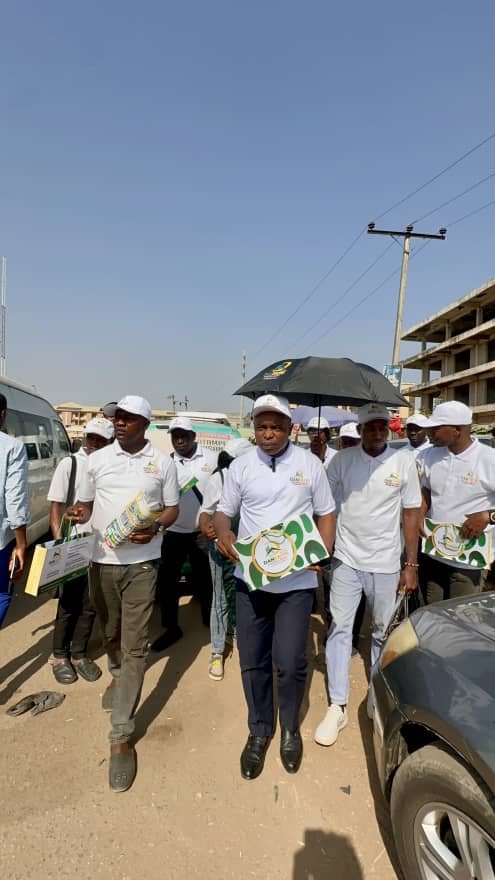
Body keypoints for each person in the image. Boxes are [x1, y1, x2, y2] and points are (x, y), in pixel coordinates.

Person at [214, 394, 335, 780]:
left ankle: (290, 731)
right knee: (253, 661)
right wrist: (223, 534)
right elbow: (223, 511)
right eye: (262, 426)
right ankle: (259, 731)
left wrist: (324, 551)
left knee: (290, 662)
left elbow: (326, 513)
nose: (269, 434)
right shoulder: (240, 467)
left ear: (290, 428)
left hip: (296, 583)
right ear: (254, 428)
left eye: (277, 427)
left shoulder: (310, 464)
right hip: (251, 581)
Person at [66, 395, 179, 792]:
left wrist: (157, 528)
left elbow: (171, 509)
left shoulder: (162, 464)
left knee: (135, 646)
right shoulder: (95, 461)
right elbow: (84, 504)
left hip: (142, 565)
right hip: (101, 561)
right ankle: (116, 675)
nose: (119, 422)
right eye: (117, 417)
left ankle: (120, 736)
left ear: (145, 423)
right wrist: (78, 513)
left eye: (129, 419)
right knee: (111, 632)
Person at [315, 402, 421, 748]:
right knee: (340, 630)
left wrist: (411, 565)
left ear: (389, 430)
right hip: (346, 560)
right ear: (360, 431)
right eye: (369, 427)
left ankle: (377, 698)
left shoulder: (403, 461)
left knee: (380, 633)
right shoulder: (341, 461)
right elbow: (322, 502)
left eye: (381, 426)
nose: (376, 432)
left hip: (386, 564)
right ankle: (337, 705)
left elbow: (410, 515)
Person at [47, 417, 114, 684]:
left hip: (100, 546)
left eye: (101, 440)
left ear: (110, 442)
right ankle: (59, 655)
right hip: (74, 544)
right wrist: (60, 545)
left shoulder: (110, 466)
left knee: (91, 604)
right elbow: (56, 506)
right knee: (68, 603)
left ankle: (78, 654)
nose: (94, 444)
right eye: (91, 438)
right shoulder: (70, 464)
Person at [151, 416, 218, 652]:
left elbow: (224, 490)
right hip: (174, 532)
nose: (179, 440)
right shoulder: (164, 462)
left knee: (206, 579)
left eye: (183, 435)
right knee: (167, 582)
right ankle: (171, 627)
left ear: (194, 436)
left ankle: (211, 624)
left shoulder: (212, 459)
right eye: (174, 435)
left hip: (202, 532)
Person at [419, 401, 495, 604]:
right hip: (433, 551)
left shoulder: (488, 459)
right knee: (433, 616)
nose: (429, 432)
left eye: (436, 428)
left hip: (468, 558)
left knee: (462, 619)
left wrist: (487, 516)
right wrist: (419, 516)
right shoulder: (429, 455)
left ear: (457, 430)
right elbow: (426, 490)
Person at [198, 437, 253, 681]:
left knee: (246, 596)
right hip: (222, 549)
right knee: (220, 597)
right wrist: (206, 527)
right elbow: (205, 511)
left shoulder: (256, 478)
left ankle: (242, 638)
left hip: (249, 549)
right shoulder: (218, 479)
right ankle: (218, 650)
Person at [0, 393, 29, 627]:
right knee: (1, 593)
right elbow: (14, 499)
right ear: (3, 415)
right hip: (1, 540)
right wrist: (21, 544)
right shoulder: (12, 447)